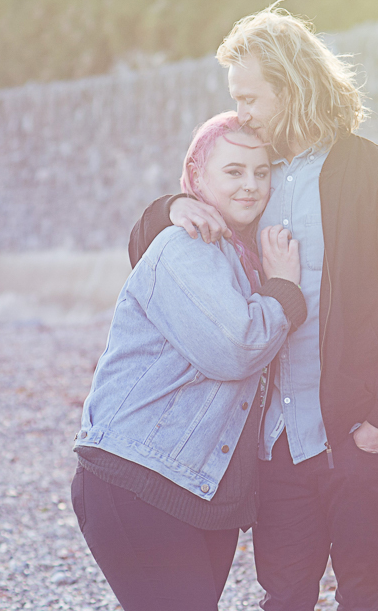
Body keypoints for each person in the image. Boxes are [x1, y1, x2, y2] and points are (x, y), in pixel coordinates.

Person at [127, 6, 378, 611]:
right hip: (274, 444)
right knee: (283, 594)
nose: (240, 114)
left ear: (292, 85)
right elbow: (158, 259)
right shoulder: (256, 176)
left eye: (249, 99)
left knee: (363, 591)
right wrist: (168, 208)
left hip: (357, 436)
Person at [72, 112, 308, 611]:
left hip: (197, 492)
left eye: (261, 173)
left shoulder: (239, 251)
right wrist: (284, 291)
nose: (250, 186)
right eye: (234, 171)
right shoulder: (187, 244)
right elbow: (236, 349)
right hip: (138, 482)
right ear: (196, 176)